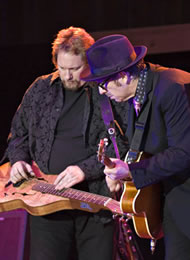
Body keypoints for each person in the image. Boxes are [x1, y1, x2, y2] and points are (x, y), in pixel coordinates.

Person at [5, 27, 128, 260]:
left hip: (95, 203)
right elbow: (18, 132)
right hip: (47, 202)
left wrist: (84, 169)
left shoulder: (108, 91)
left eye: (75, 69)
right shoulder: (40, 89)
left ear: (90, 63)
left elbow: (122, 143)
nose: (68, 76)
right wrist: (18, 159)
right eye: (62, 68)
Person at [81, 34, 190, 260]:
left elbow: (185, 152)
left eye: (103, 84)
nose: (101, 91)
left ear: (122, 76)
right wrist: (123, 173)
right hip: (175, 201)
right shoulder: (137, 93)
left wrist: (132, 171)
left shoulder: (173, 87)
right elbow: (150, 148)